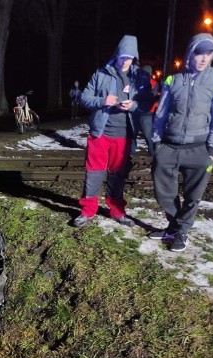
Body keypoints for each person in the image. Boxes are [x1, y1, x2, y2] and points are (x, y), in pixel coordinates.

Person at [149, 33, 213, 252]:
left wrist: (212, 149)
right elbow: (161, 114)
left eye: (209, 53)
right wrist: (157, 142)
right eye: (199, 53)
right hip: (169, 146)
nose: (203, 58)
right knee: (163, 191)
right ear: (190, 53)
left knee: (193, 196)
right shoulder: (172, 80)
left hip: (199, 148)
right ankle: (174, 225)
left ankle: (182, 232)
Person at [73, 35, 153, 228]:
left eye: (129, 57)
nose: (125, 60)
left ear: (135, 58)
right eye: (122, 56)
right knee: (94, 172)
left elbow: (147, 103)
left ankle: (117, 211)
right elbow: (84, 98)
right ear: (117, 55)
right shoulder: (101, 73)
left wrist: (133, 105)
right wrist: (102, 101)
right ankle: (87, 210)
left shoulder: (141, 76)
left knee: (118, 175)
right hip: (100, 133)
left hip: (125, 135)